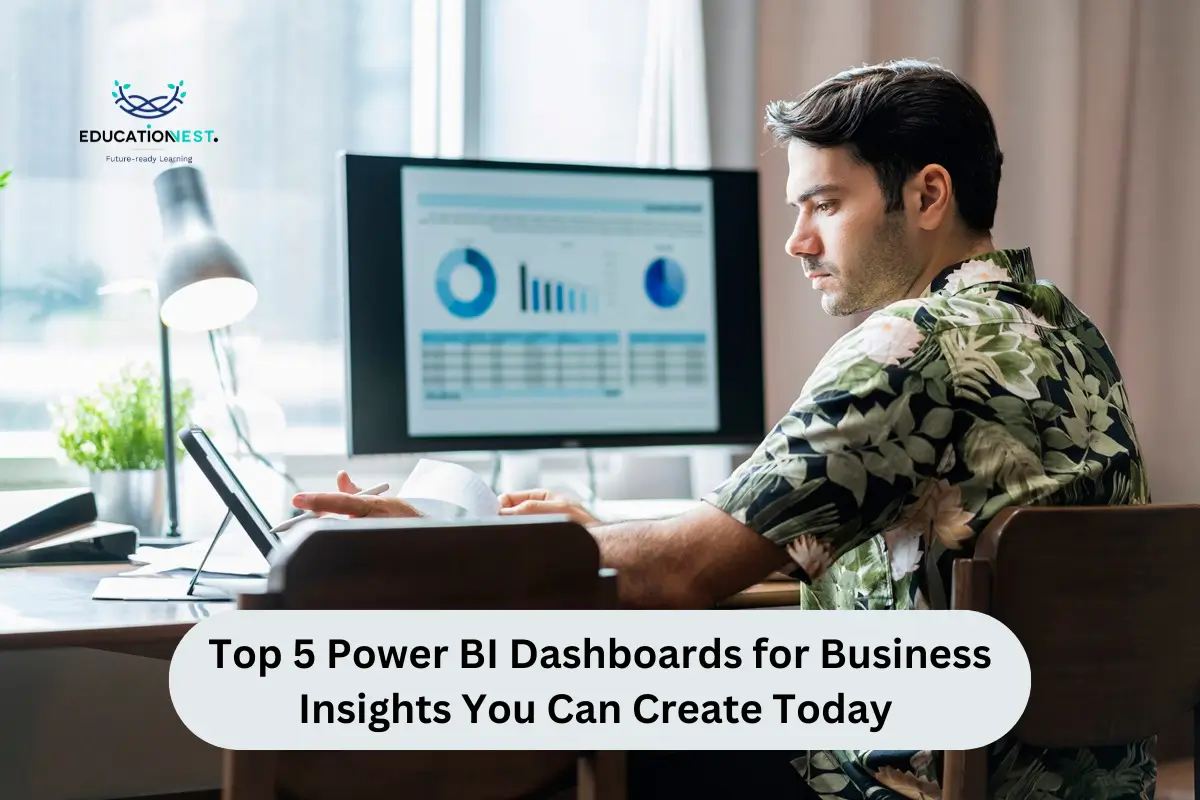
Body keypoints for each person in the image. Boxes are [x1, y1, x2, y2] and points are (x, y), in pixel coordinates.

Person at [293, 60, 1154, 799]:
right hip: (1077, 776)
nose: (796, 241)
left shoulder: (908, 344)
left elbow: (675, 578)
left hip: (901, 779)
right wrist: (599, 532)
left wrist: (457, 535)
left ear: (928, 194)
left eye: (823, 204)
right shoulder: (1064, 328)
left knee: (570, 728)